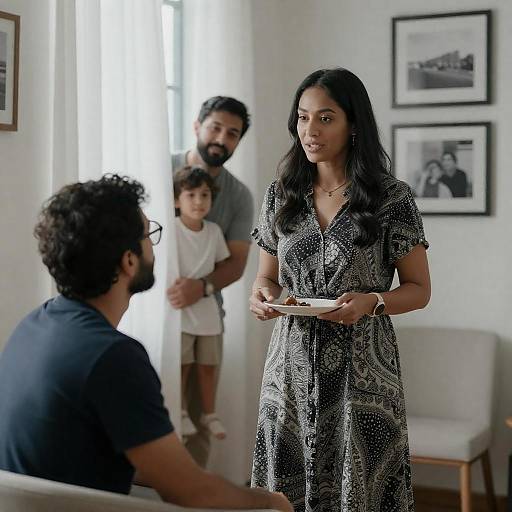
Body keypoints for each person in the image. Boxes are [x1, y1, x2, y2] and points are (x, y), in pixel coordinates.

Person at [0, 174, 292, 512]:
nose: (154, 244)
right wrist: (270, 500)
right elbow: (192, 493)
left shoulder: (35, 324)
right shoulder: (112, 357)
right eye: (148, 235)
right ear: (128, 261)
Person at [249, 68, 431, 511]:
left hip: (362, 371)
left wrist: (373, 302)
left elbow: (419, 289)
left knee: (361, 487)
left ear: (354, 125)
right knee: (284, 490)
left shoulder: (392, 197)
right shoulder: (282, 194)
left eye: (325, 118)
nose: (310, 131)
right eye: (302, 117)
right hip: (288, 368)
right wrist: (263, 298)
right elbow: (265, 277)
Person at [169, 96, 254, 465]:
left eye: (232, 133)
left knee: (199, 417)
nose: (222, 138)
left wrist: (200, 288)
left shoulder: (239, 196)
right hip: (156, 313)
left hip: (205, 316)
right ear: (196, 126)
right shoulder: (161, 166)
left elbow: (236, 265)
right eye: (215, 127)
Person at [173, 166, 230, 440]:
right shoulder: (171, 230)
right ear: (176, 200)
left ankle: (210, 414)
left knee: (208, 363)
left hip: (207, 308)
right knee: (182, 363)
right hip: (181, 310)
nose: (198, 201)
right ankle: (181, 411)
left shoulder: (214, 232)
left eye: (205, 195)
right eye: (191, 195)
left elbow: (222, 265)